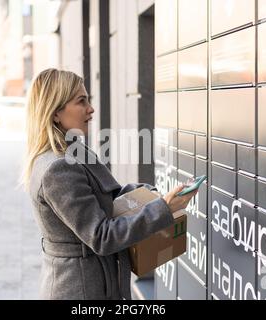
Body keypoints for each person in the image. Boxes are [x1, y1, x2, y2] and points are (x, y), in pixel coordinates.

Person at [20, 68, 197, 300]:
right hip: (79, 291)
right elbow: (101, 237)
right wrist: (163, 208)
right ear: (55, 113)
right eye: (81, 101)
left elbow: (107, 197)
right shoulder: (58, 168)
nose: (90, 109)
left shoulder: (72, 151)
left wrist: (148, 195)